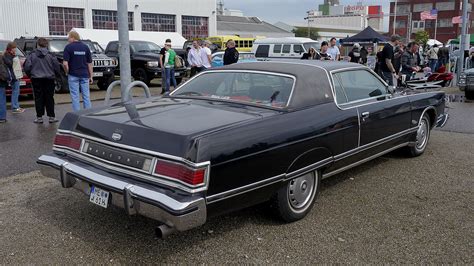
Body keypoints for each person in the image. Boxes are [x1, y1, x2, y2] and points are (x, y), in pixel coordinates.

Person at [24, 38, 60, 123]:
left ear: (37, 44)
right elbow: (57, 67)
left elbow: (27, 67)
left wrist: (31, 75)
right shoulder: (51, 55)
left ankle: (39, 117)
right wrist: (56, 76)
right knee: (49, 97)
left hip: (36, 79)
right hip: (49, 79)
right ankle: (51, 117)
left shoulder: (31, 55)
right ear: (46, 45)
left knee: (38, 98)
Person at [63, 31, 92, 112]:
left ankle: (77, 114)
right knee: (86, 96)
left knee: (75, 96)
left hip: (73, 75)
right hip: (84, 75)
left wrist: (67, 71)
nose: (68, 39)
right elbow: (89, 63)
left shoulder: (68, 47)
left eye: (68, 38)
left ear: (73, 37)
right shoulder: (85, 47)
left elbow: (65, 63)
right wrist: (91, 75)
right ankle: (88, 114)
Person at [3, 42, 25, 113]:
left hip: (16, 75)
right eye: (14, 48)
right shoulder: (7, 55)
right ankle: (15, 107)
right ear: (10, 48)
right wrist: (13, 57)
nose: (15, 49)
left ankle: (16, 106)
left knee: (16, 91)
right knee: (15, 92)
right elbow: (9, 64)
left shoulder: (11, 55)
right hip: (13, 76)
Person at [0, 54, 8, 123]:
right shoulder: (2, 65)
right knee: (2, 100)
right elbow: (5, 76)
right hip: (1, 84)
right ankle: (2, 117)